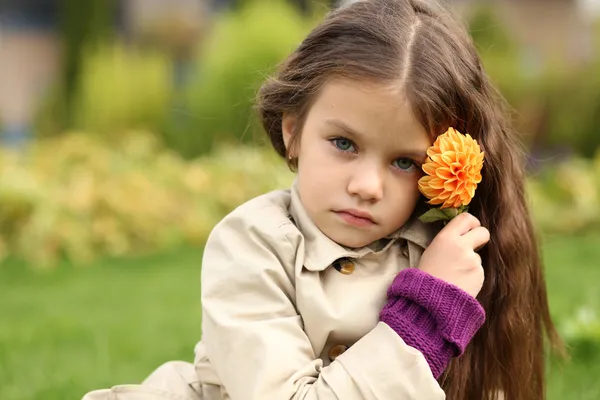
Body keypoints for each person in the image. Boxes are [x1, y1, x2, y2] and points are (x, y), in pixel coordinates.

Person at [82, 0, 562, 399]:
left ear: (441, 171)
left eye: (404, 163)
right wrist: (419, 322)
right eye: (344, 144)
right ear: (294, 132)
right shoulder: (251, 245)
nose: (367, 186)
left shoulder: (445, 259)